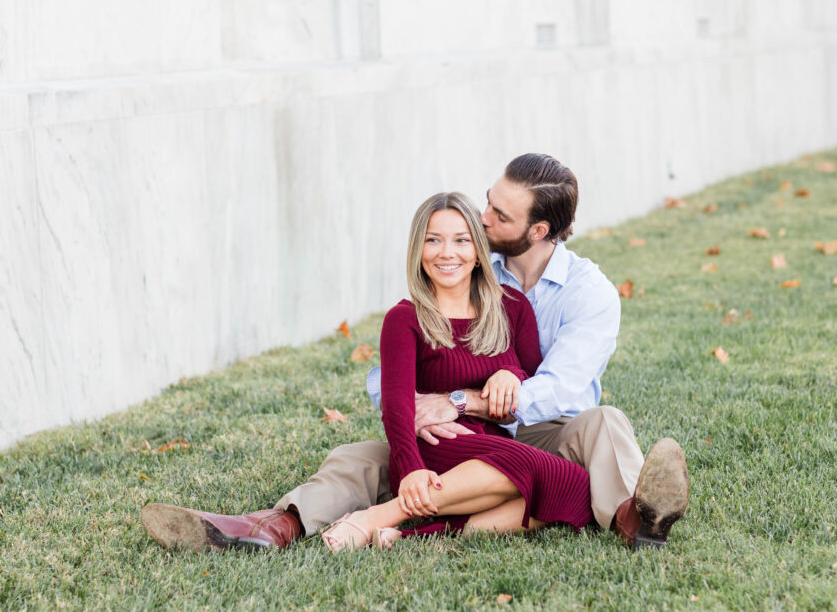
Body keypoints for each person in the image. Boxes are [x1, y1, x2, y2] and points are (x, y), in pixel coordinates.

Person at [140, 154, 689, 553]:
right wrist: (420, 411)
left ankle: (631, 518)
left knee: (605, 421)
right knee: (355, 457)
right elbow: (391, 382)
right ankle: (274, 527)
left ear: (537, 230)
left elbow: (559, 388)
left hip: (546, 431)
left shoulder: (585, 292)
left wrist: (460, 400)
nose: (483, 219)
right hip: (446, 439)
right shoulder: (466, 269)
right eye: (487, 206)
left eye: (497, 216)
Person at [317, 192, 592, 550]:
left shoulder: (512, 308)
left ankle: (410, 533)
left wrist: (513, 375)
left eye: (461, 240)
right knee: (544, 474)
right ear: (419, 250)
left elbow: (532, 379)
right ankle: (382, 514)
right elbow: (398, 405)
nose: (447, 253)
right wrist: (411, 468)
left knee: (576, 489)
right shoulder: (405, 319)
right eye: (433, 240)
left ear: (478, 251)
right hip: (433, 449)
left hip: (495, 448)